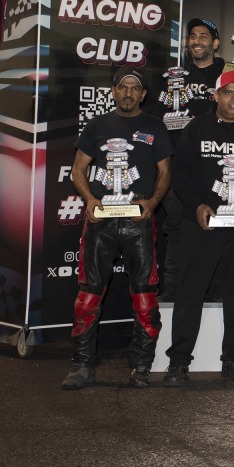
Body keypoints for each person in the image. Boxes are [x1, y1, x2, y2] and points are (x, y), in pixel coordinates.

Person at [62, 66, 172, 390]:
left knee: (145, 299)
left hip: (139, 221)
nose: (128, 93)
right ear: (114, 91)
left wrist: (152, 203)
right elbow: (77, 170)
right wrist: (89, 200)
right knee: (87, 298)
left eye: (134, 88)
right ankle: (82, 366)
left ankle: (140, 366)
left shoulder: (154, 126)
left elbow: (165, 172)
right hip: (101, 222)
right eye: (123, 87)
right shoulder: (97, 125)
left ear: (143, 94)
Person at [163, 71, 234, 385]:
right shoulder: (196, 129)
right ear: (216, 95)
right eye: (229, 93)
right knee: (190, 294)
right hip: (202, 226)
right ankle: (179, 362)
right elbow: (180, 173)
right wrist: (196, 205)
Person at [154, 17, 227, 300]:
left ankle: (216, 295)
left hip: (217, 167)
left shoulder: (226, 74)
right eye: (192, 36)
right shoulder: (176, 77)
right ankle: (172, 293)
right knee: (176, 229)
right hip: (179, 168)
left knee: (218, 228)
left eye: (203, 36)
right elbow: (157, 116)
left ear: (215, 43)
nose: (196, 41)